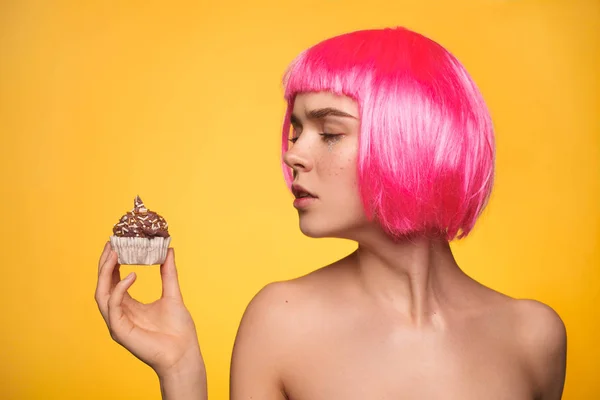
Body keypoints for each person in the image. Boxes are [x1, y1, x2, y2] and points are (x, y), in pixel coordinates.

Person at [95, 27, 567, 399]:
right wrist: (181, 371)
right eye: (295, 129)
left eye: (330, 132)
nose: (292, 154)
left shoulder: (534, 337)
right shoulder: (280, 322)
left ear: (412, 142)